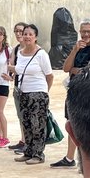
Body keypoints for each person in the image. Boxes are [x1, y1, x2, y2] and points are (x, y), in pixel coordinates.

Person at [52, 19, 90, 168]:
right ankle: (70, 158)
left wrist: (77, 70)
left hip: (88, 93)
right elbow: (66, 68)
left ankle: (88, 158)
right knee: (71, 123)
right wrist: (75, 50)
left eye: (89, 31)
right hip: (74, 91)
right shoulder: (77, 47)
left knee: (86, 126)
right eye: (83, 31)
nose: (86, 34)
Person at [8, 24, 53, 166]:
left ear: (36, 37)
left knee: (37, 124)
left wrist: (44, 91)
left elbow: (49, 75)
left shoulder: (41, 54)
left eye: (30, 34)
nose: (27, 36)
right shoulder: (20, 53)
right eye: (25, 34)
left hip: (38, 93)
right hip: (23, 93)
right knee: (26, 123)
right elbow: (19, 72)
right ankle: (28, 151)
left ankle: (38, 154)